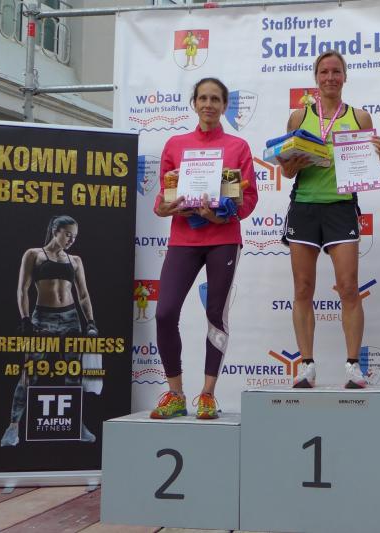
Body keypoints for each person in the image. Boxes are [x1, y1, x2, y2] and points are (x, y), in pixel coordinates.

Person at [277, 50, 380, 389]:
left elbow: (368, 168)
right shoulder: (298, 117)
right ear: (316, 77)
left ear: (345, 77)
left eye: (336, 71)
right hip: (305, 206)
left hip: (341, 207)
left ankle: (353, 366)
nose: (330, 77)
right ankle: (307, 366)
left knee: (349, 287)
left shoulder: (360, 117)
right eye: (324, 72)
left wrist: (379, 155)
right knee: (302, 288)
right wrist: (291, 164)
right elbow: (286, 170)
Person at [151, 77, 258, 419]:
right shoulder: (176, 144)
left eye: (215, 99)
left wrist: (221, 214)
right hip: (184, 239)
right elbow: (163, 196)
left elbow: (248, 199)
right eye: (203, 98)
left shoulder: (238, 146)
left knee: (215, 315)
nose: (209, 104)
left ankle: (208, 394)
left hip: (223, 239)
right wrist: (166, 207)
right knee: (164, 313)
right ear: (194, 103)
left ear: (224, 106)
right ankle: (175, 393)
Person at [0, 215, 98, 447]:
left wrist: (91, 322)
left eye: (74, 236)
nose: (71, 240)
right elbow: (22, 289)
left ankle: (76, 424)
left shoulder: (75, 260)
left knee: (73, 373)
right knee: (30, 372)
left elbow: (83, 295)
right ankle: (13, 427)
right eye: (68, 234)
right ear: (56, 231)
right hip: (42, 319)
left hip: (71, 319)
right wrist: (25, 319)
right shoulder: (34, 254)